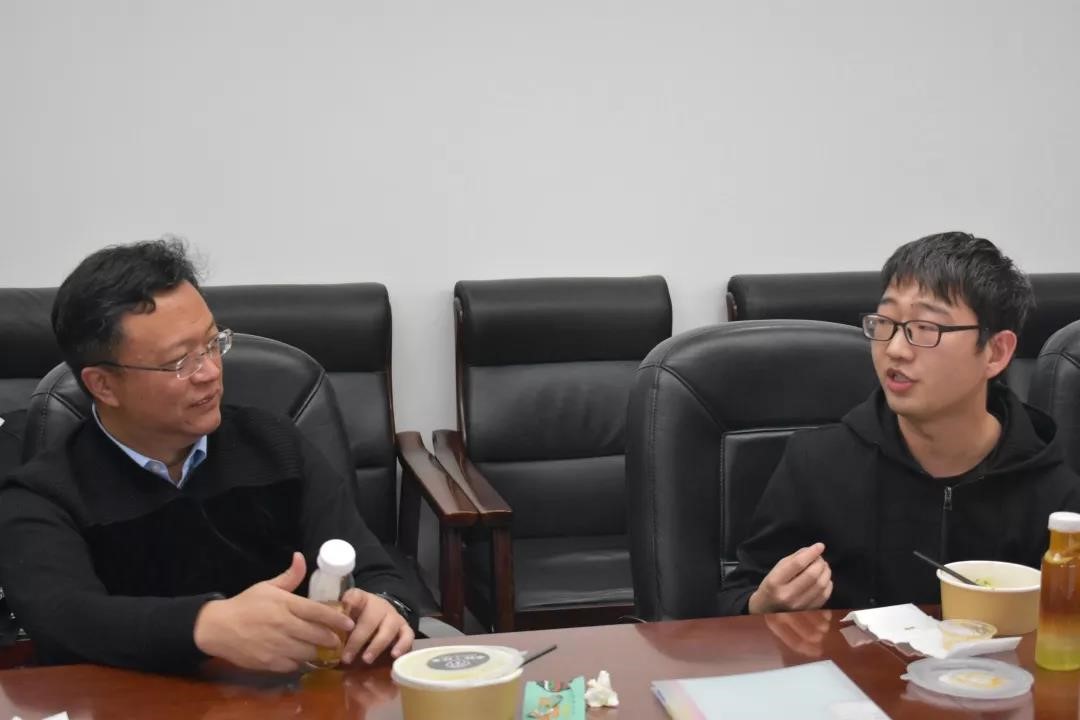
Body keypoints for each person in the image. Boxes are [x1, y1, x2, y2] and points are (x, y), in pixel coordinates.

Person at [0, 238, 416, 672]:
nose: (211, 372)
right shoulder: (43, 495)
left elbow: (378, 572)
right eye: (180, 362)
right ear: (103, 385)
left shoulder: (276, 446)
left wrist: (385, 607)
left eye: (213, 343)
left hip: (286, 695)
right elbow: (64, 619)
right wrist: (203, 626)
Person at [717, 231, 1080, 616]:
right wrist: (761, 606)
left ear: (995, 352)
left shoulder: (1056, 498)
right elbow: (731, 599)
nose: (895, 349)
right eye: (885, 323)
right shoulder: (817, 464)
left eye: (925, 328)